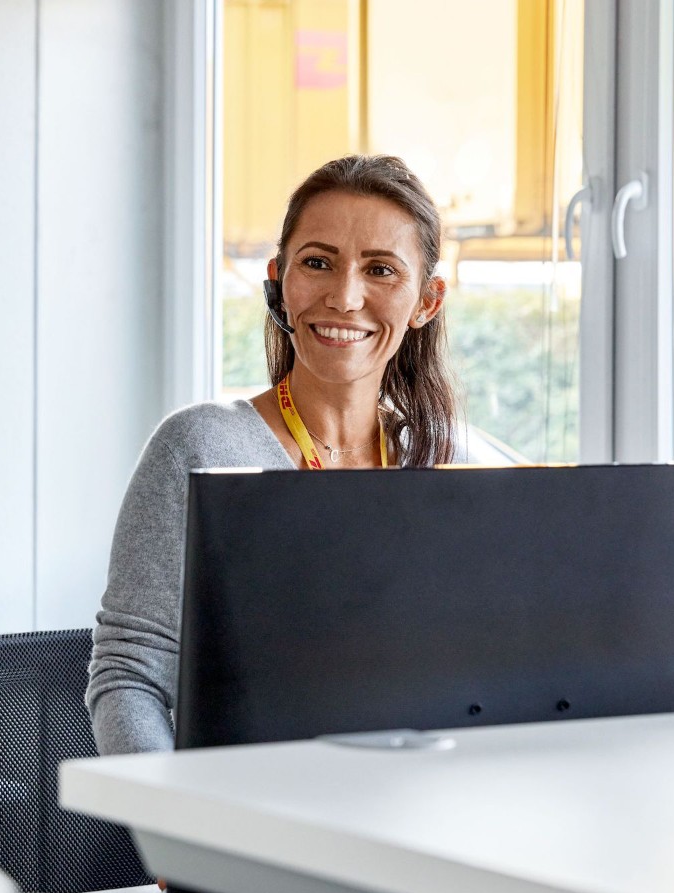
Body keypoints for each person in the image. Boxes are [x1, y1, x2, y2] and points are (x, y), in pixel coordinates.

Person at [87, 154, 459, 756]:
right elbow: (130, 677)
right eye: (317, 263)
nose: (345, 297)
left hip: (411, 795)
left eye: (381, 270)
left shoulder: (448, 463)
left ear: (427, 301)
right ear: (278, 280)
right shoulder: (200, 447)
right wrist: (179, 807)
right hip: (240, 803)